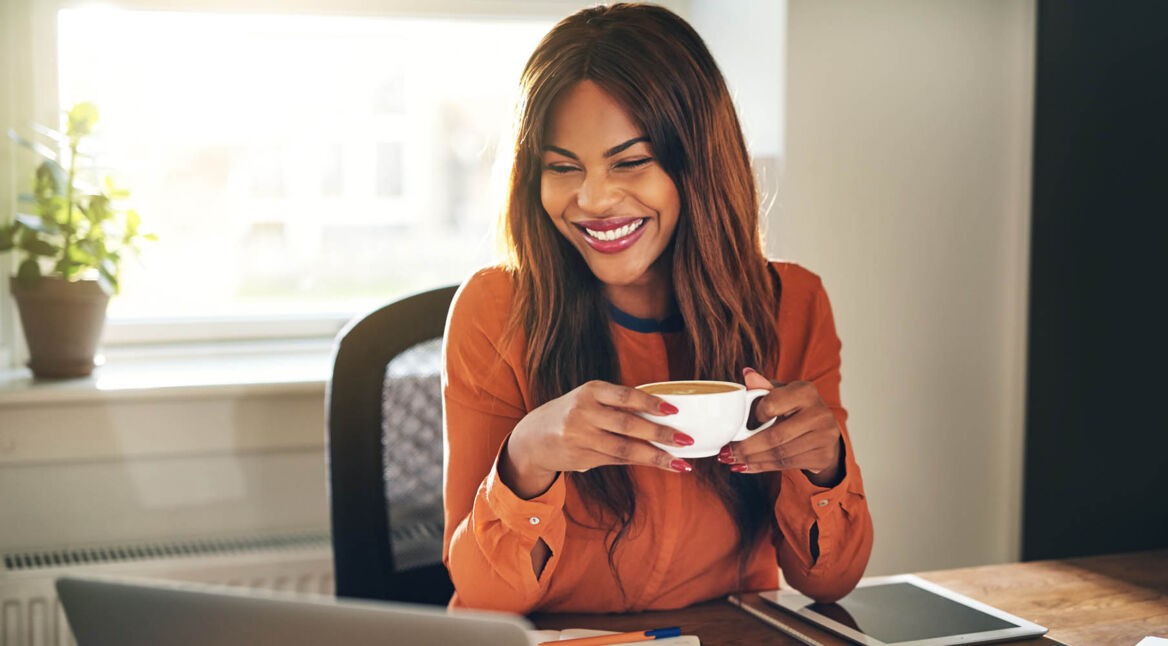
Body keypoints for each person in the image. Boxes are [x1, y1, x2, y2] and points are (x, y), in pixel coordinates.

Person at [442, 2, 873, 614]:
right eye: (563, 168)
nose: (592, 199)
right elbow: (484, 600)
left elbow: (829, 582)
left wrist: (825, 466)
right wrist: (526, 457)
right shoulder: (493, 310)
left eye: (631, 162)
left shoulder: (792, 303)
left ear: (697, 163)